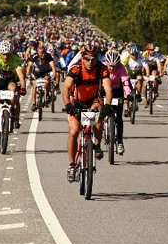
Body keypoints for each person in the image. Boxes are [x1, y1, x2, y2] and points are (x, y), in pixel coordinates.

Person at [63, 45, 113, 182]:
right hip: (76, 102)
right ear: (82, 58)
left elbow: (108, 89)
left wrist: (107, 104)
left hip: (93, 101)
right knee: (74, 132)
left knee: (98, 115)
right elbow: (66, 87)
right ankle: (72, 164)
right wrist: (67, 104)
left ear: (97, 59)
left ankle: (97, 145)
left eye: (93, 59)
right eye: (87, 59)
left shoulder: (102, 70)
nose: (90, 62)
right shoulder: (76, 69)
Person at [0, 40, 27, 144]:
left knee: (13, 88)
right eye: (3, 55)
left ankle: (12, 111)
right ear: (0, 53)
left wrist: (23, 88)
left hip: (9, 81)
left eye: (8, 54)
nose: (6, 57)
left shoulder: (15, 59)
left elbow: (21, 75)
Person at [104, 50, 132, 155]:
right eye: (110, 66)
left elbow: (125, 81)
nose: (112, 68)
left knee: (118, 118)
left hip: (116, 90)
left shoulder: (121, 68)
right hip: (104, 90)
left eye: (114, 66)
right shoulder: (102, 67)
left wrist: (128, 92)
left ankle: (119, 141)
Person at [25, 45, 58, 111]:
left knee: (47, 80)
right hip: (37, 72)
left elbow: (53, 65)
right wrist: (28, 74)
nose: (42, 55)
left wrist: (54, 75)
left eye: (43, 53)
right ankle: (34, 104)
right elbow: (30, 65)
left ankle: (47, 95)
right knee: (34, 86)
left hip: (46, 71)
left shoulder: (48, 56)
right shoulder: (34, 56)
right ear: (38, 52)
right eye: (40, 53)